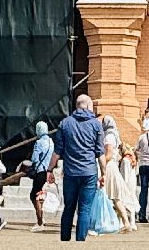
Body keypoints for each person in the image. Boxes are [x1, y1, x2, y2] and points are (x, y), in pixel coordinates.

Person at [50, 95, 105, 243]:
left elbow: (57, 151)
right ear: (87, 106)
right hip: (89, 172)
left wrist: (49, 170)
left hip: (70, 172)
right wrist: (104, 173)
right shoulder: (96, 124)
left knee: (68, 207)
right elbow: (100, 153)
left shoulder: (64, 123)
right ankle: (80, 241)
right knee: (84, 209)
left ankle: (65, 240)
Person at [87, 115, 124, 235]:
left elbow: (108, 154)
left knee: (110, 196)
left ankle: (122, 222)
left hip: (108, 167)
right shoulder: (114, 135)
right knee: (111, 197)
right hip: (110, 166)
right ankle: (123, 222)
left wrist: (98, 159)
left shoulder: (109, 136)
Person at [29, 121, 55, 232]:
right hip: (48, 171)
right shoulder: (51, 141)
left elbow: (34, 158)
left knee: (34, 195)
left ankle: (40, 221)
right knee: (40, 195)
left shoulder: (39, 142)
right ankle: (41, 218)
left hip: (40, 172)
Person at [113, 142, 139, 231]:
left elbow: (125, 174)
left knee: (123, 202)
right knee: (131, 200)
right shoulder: (132, 158)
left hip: (126, 182)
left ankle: (123, 222)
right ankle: (132, 222)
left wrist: (123, 184)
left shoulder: (125, 160)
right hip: (132, 182)